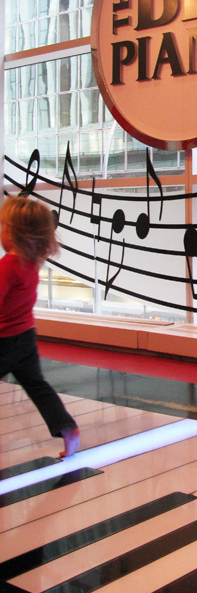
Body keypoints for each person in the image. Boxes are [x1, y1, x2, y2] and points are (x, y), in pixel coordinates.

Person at [0, 194, 80, 457]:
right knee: (37, 386)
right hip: (25, 337)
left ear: (16, 234)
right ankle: (67, 428)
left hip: (4, 340)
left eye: (3, 227)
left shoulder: (9, 265)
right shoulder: (32, 263)